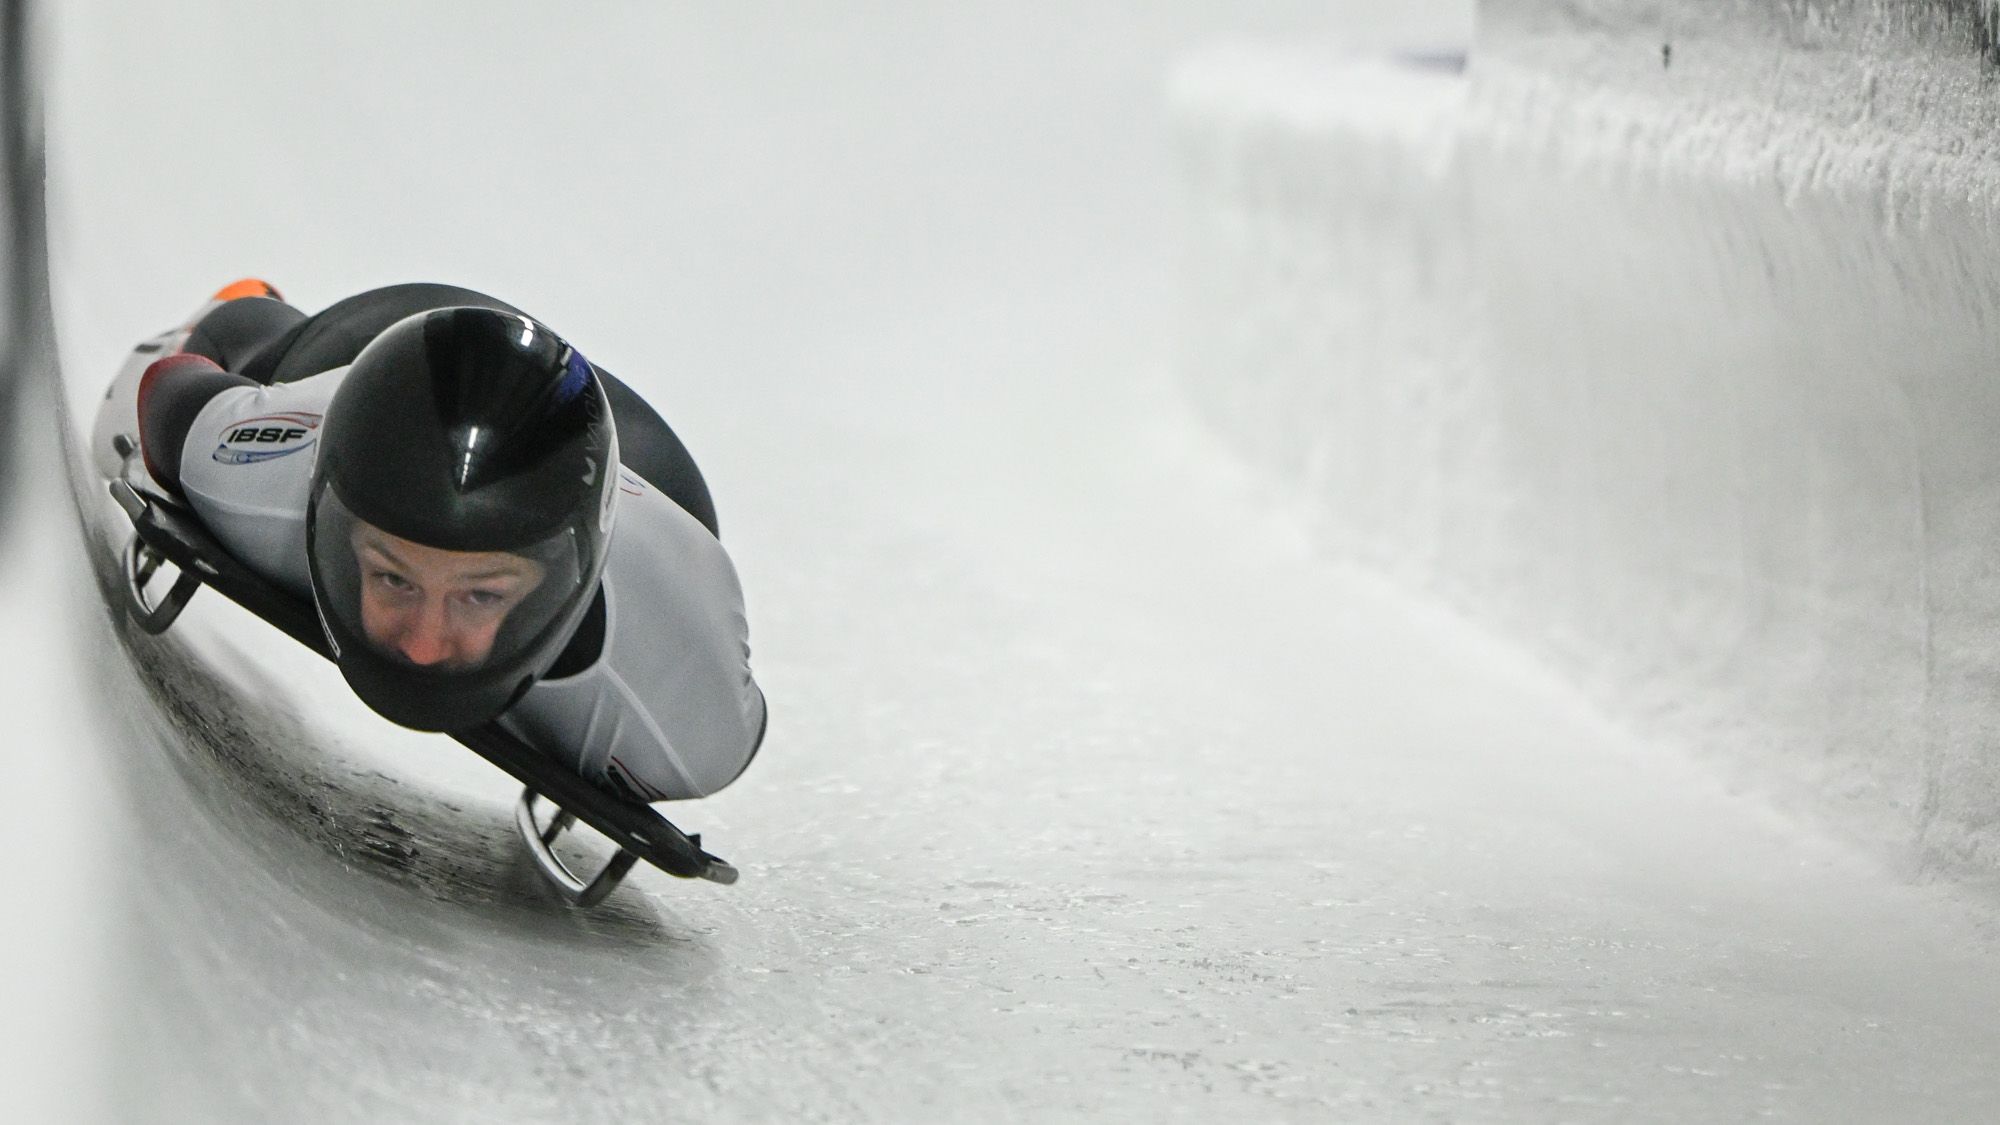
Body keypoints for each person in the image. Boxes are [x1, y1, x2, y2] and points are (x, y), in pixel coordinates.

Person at [99, 280, 766, 804]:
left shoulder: (685, 711)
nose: (421, 644)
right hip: (367, 357)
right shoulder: (250, 474)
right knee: (219, 359)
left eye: (480, 594)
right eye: (393, 577)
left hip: (663, 488)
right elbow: (171, 392)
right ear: (333, 522)